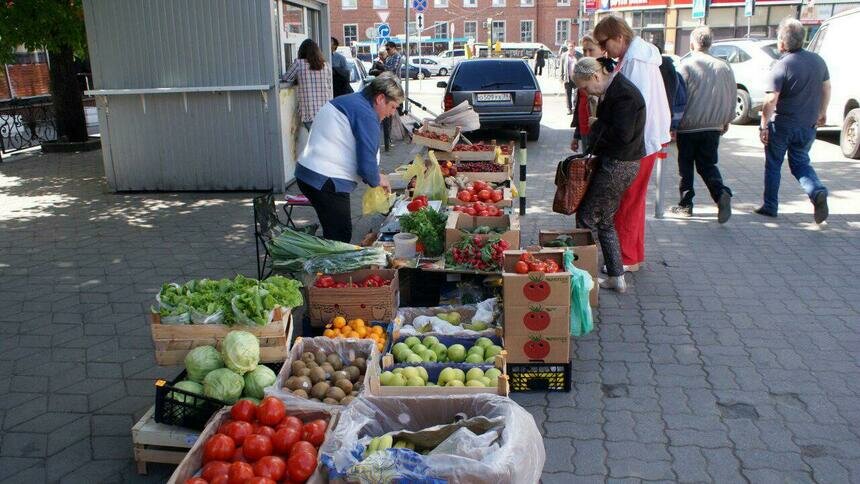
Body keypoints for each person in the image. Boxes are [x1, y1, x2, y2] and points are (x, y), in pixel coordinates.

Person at [593, 16, 671, 274]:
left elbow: (630, 107)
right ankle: (633, 254)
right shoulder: (640, 58)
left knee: (626, 200)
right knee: (634, 201)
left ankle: (625, 258)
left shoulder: (636, 63)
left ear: (619, 37)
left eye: (605, 43)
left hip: (637, 144)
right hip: (646, 140)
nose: (604, 51)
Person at [294, 73, 402, 242]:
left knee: (334, 231)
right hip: (326, 180)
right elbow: (366, 168)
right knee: (340, 236)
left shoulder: (352, 101)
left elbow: (357, 148)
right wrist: (377, 179)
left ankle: (323, 263)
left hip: (309, 173)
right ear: (380, 98)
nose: (392, 114)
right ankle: (327, 267)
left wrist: (376, 173)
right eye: (393, 107)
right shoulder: (366, 114)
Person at [573, 57, 647, 293]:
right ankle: (616, 276)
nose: (585, 92)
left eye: (584, 87)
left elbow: (622, 135)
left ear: (595, 76)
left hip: (619, 164)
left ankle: (585, 282)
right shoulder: (616, 89)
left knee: (587, 217)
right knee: (604, 219)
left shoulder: (623, 93)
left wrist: (596, 126)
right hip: (621, 162)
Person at [756, 17, 830, 224]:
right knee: (800, 163)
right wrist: (822, 111)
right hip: (808, 125)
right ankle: (817, 191)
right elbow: (827, 87)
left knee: (773, 165)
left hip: (783, 125)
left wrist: (763, 125)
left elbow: (771, 99)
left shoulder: (782, 65)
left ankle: (770, 206)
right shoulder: (818, 61)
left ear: (782, 41)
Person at [672, 26, 736, 223]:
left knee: (686, 165)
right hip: (713, 126)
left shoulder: (686, 65)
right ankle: (720, 193)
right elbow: (731, 95)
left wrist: (673, 124)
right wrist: (727, 119)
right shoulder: (724, 66)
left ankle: (686, 203)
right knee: (707, 164)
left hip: (689, 126)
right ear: (710, 43)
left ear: (692, 43)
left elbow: (677, 97)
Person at [282, 39, 333, 130]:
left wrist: (298, 78)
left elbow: (286, 78)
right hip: (325, 111)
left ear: (302, 51)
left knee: (315, 140)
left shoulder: (299, 64)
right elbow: (329, 86)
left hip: (309, 112)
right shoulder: (326, 65)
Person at [570, 34, 603, 153]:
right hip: (585, 130)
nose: (587, 54)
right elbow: (580, 107)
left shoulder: (606, 74)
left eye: (591, 50)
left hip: (600, 134)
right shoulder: (583, 71)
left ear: (602, 49)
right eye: (584, 50)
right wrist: (576, 135)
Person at [381, 42, 402, 153]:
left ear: (394, 48)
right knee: (387, 115)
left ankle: (389, 139)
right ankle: (388, 140)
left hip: (394, 87)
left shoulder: (397, 57)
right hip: (389, 85)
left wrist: (382, 64)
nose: (387, 51)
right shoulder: (390, 57)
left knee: (390, 112)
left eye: (388, 49)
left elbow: (391, 69)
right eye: (386, 49)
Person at [559, 41, 578, 115]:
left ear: (574, 47)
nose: (571, 47)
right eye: (569, 46)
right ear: (567, 47)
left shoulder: (578, 55)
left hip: (576, 79)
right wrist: (561, 78)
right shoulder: (564, 56)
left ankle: (575, 107)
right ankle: (569, 109)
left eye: (572, 46)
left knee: (576, 95)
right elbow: (561, 67)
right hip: (568, 78)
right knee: (568, 94)